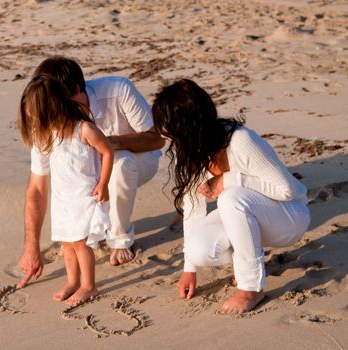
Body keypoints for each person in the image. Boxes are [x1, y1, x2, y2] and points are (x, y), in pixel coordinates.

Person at [151, 79, 311, 313]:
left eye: (171, 134)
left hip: (290, 217)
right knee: (198, 250)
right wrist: (189, 269)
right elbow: (193, 210)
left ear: (187, 127)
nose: (168, 140)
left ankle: (251, 288)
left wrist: (229, 179)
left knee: (231, 198)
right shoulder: (192, 152)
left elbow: (287, 190)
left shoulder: (241, 141)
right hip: (251, 215)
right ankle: (246, 261)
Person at [17, 56, 165, 288]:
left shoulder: (118, 90)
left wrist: (107, 143)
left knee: (121, 161)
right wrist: (31, 247)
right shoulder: (44, 120)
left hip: (138, 163)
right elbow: (37, 187)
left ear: (75, 90)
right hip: (87, 182)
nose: (50, 110)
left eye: (54, 100)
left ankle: (120, 239)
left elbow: (157, 140)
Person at [17, 74, 114, 304]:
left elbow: (108, 151)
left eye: (37, 117)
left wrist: (104, 182)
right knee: (67, 244)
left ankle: (89, 286)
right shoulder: (47, 136)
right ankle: (73, 281)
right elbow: (38, 185)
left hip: (84, 197)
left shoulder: (84, 129)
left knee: (81, 244)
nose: (35, 123)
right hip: (63, 200)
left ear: (54, 108)